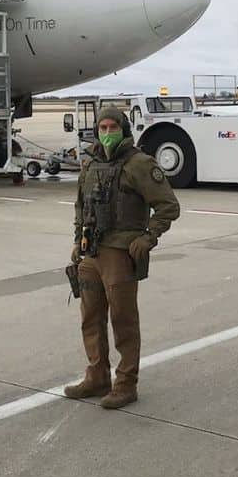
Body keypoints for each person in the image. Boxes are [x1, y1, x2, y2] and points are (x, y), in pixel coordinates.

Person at [65, 107, 180, 409]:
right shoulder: (89, 162)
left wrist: (148, 237)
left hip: (120, 253)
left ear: (124, 129)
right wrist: (78, 241)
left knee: (123, 320)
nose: (106, 132)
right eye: (101, 127)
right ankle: (97, 376)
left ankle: (126, 383)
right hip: (91, 252)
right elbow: (81, 206)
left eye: (112, 126)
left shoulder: (139, 164)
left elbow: (168, 206)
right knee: (90, 318)